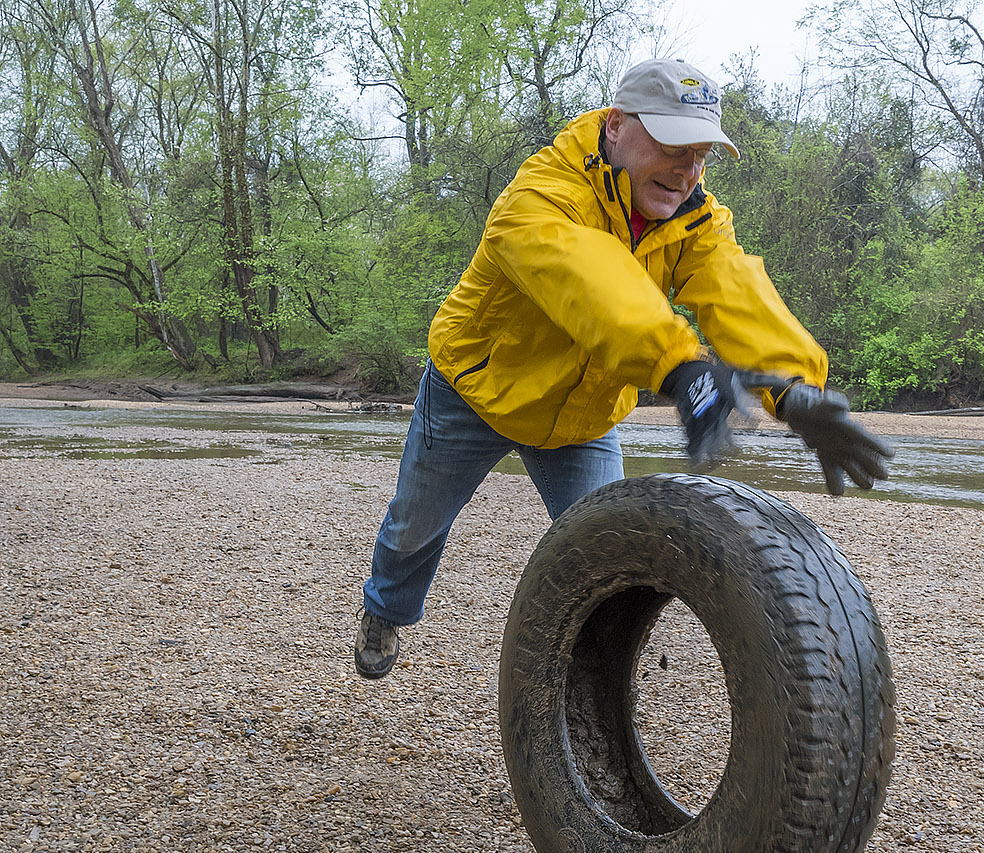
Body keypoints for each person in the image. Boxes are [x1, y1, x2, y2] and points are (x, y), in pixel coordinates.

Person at [354, 57, 893, 680]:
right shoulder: (539, 195)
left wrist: (795, 390)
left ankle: (594, 685)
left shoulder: (694, 219)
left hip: (582, 417)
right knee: (413, 530)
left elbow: (735, 291)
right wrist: (680, 368)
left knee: (609, 551)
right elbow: (590, 279)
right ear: (616, 125)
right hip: (475, 394)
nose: (685, 171)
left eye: (700, 156)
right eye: (670, 145)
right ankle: (385, 611)